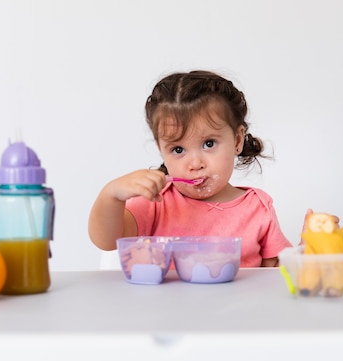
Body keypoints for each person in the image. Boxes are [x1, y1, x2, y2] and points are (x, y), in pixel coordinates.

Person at [88, 70, 292, 267]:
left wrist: (305, 255)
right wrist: (111, 195)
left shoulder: (258, 208)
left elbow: (273, 275)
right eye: (178, 149)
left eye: (209, 144)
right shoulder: (156, 202)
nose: (195, 164)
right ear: (161, 151)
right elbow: (107, 241)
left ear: (237, 140)